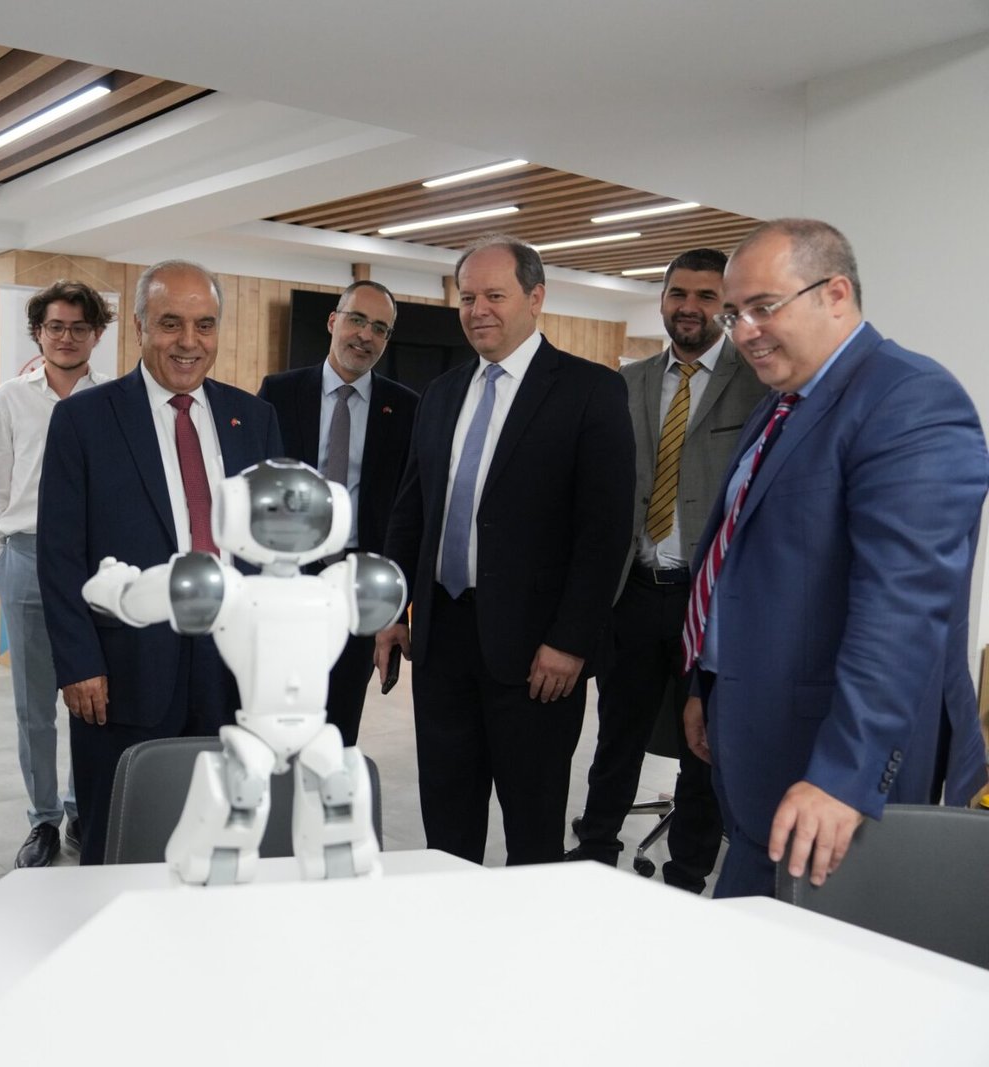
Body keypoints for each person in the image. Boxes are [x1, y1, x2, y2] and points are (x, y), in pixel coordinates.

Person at [681, 218, 989, 897]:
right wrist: (709, 684)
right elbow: (743, 561)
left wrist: (846, 772)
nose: (744, 331)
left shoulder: (911, 400)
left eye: (764, 307)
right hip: (756, 732)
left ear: (836, 294)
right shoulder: (783, 403)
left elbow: (903, 608)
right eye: (734, 314)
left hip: (834, 766)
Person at [377, 234, 634, 865]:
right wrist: (390, 609)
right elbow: (412, 513)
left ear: (536, 298)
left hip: (536, 655)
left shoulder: (590, 391)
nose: (478, 310)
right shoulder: (441, 393)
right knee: (447, 822)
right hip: (441, 643)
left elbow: (604, 532)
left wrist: (570, 641)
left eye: (495, 295)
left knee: (532, 829)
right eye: (467, 298)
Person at [38, 259, 283, 865]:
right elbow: (61, 554)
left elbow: (274, 548)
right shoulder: (84, 419)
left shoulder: (253, 418)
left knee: (225, 837)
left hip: (230, 669)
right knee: (121, 841)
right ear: (140, 327)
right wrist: (78, 663)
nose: (189, 342)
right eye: (171, 323)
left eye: (205, 325)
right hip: (125, 672)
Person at [566, 249, 766, 890]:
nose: (689, 307)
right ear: (662, 299)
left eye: (706, 296)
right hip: (634, 591)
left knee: (702, 746)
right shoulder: (627, 382)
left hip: (708, 600)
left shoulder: (757, 383)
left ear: (726, 306)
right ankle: (595, 850)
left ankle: (686, 875)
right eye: (678, 293)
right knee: (616, 735)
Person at [0, 281, 113, 868]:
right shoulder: (8, 398)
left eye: (79, 327)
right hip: (27, 558)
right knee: (34, 706)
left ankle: (83, 807)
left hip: (95, 566)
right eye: (55, 326)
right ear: (38, 332)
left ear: (97, 335)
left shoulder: (113, 399)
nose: (66, 337)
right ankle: (43, 819)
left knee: (94, 697)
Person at [257, 280, 418, 745]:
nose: (366, 335)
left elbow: (408, 514)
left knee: (339, 724)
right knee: (275, 717)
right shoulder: (279, 393)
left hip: (358, 589)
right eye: (357, 320)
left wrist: (395, 609)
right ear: (333, 321)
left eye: (380, 328)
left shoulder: (406, 409)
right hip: (287, 579)